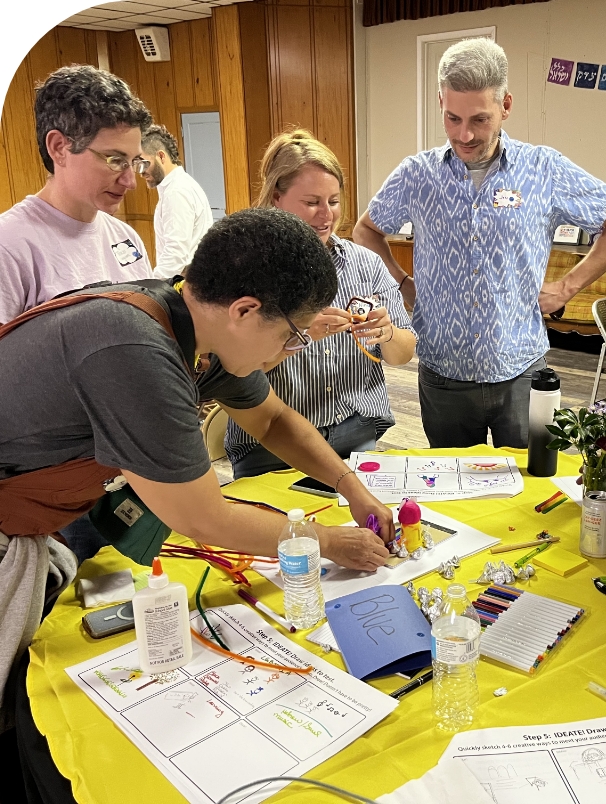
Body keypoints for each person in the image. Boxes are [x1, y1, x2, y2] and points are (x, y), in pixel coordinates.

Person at [0, 207, 394, 734]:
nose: (289, 352)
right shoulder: (136, 349)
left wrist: (351, 487)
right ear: (246, 310)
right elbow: (203, 518)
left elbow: (273, 421)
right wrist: (327, 540)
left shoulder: (197, 331)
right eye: (293, 337)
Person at [353, 38, 606, 449]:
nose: (464, 134)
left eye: (479, 120)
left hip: (521, 373)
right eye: (452, 118)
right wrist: (403, 283)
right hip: (443, 374)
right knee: (455, 496)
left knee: (530, 491)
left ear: (506, 105)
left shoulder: (544, 169)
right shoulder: (417, 174)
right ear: (440, 102)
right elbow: (366, 230)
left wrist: (567, 286)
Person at [225, 130, 417, 479]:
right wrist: (302, 334)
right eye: (312, 202)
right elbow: (234, 372)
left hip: (356, 435)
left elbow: (402, 354)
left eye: (333, 201)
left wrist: (387, 333)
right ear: (277, 199)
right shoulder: (247, 272)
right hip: (272, 443)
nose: (325, 215)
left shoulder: (366, 264)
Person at [0, 64, 154, 326]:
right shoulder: (10, 247)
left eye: (134, 162)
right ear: (59, 148)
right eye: (115, 160)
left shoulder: (126, 238)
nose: (130, 182)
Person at [140, 124, 213, 279]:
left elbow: (176, 253)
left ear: (161, 156)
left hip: (184, 284)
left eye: (144, 163)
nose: (141, 172)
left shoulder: (177, 191)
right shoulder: (178, 187)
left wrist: (152, 289)